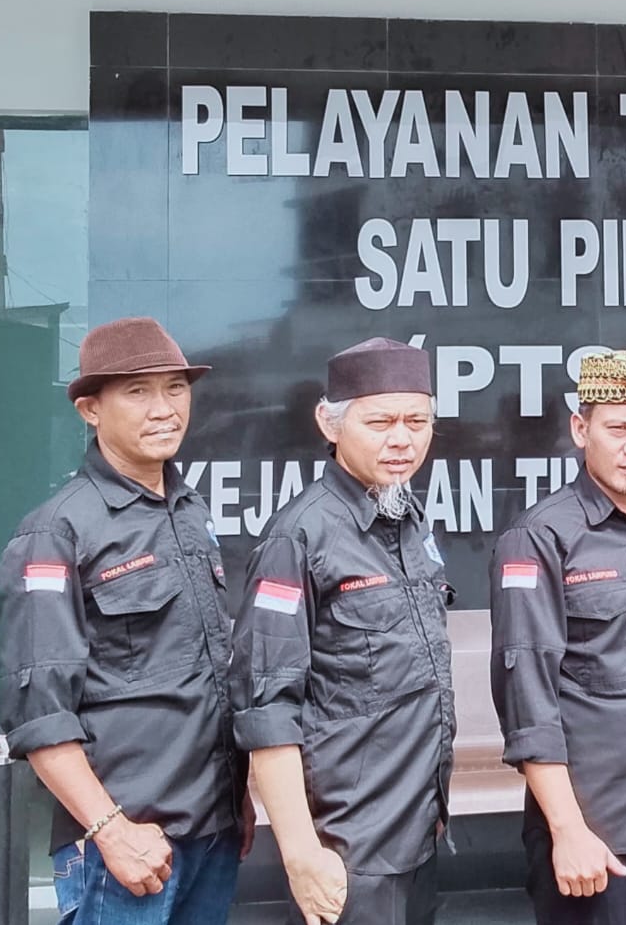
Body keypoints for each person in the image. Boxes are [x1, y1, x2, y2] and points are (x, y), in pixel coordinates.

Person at [0, 317, 248, 924]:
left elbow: (213, 673)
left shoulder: (189, 512)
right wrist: (111, 830)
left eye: (176, 388)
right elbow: (39, 715)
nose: (164, 409)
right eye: (138, 392)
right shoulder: (56, 532)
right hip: (124, 844)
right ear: (90, 409)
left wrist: (238, 799)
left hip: (211, 831)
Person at [230, 338, 455, 925]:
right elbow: (267, 707)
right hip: (347, 846)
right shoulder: (298, 537)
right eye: (380, 422)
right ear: (330, 424)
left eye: (417, 421)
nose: (402, 439)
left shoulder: (406, 519)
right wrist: (301, 854)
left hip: (418, 832)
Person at [489, 350, 626, 925]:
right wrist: (567, 830)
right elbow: (527, 699)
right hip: (593, 831)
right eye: (619, 428)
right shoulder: (540, 537)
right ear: (580, 429)